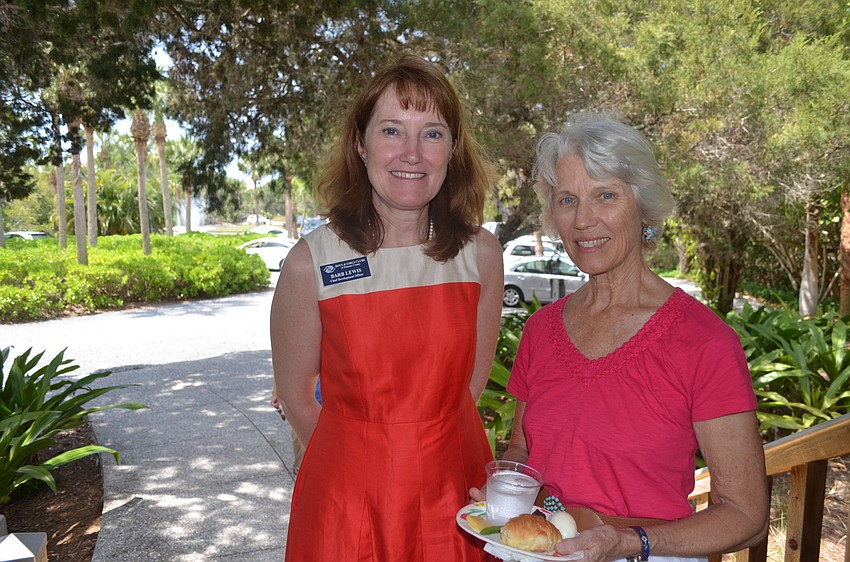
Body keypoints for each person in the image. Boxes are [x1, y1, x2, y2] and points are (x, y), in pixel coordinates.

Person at [473, 113, 769, 562]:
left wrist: (629, 541)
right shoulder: (541, 330)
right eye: (567, 200)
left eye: (605, 196)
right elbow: (525, 448)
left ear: (643, 208)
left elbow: (747, 517)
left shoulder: (705, 343)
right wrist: (506, 490)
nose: (583, 220)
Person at [271, 54, 504, 561]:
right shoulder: (309, 264)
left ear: (454, 148)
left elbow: (472, 384)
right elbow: (296, 395)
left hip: (457, 499)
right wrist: (365, 459)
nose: (413, 153)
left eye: (433, 133)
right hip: (347, 503)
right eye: (393, 130)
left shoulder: (481, 255)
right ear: (361, 143)